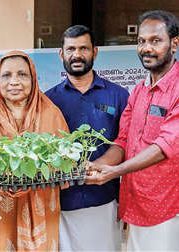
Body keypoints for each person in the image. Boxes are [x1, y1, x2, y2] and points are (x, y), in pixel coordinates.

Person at [86, 10, 179, 251]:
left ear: (175, 44)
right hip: (136, 203)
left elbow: (165, 146)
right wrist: (100, 165)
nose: (146, 48)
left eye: (155, 41)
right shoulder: (138, 90)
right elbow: (123, 140)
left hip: (168, 207)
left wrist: (115, 171)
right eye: (141, 41)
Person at [0, 50, 69, 251]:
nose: (14, 81)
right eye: (6, 75)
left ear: (33, 79)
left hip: (41, 206)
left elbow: (66, 166)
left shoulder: (51, 113)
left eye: (22, 74)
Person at [45, 25, 129, 251]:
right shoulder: (48, 101)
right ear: (61, 54)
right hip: (62, 203)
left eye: (84, 48)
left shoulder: (119, 95)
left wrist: (98, 166)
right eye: (71, 49)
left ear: (95, 51)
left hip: (104, 199)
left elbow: (125, 142)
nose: (77, 55)